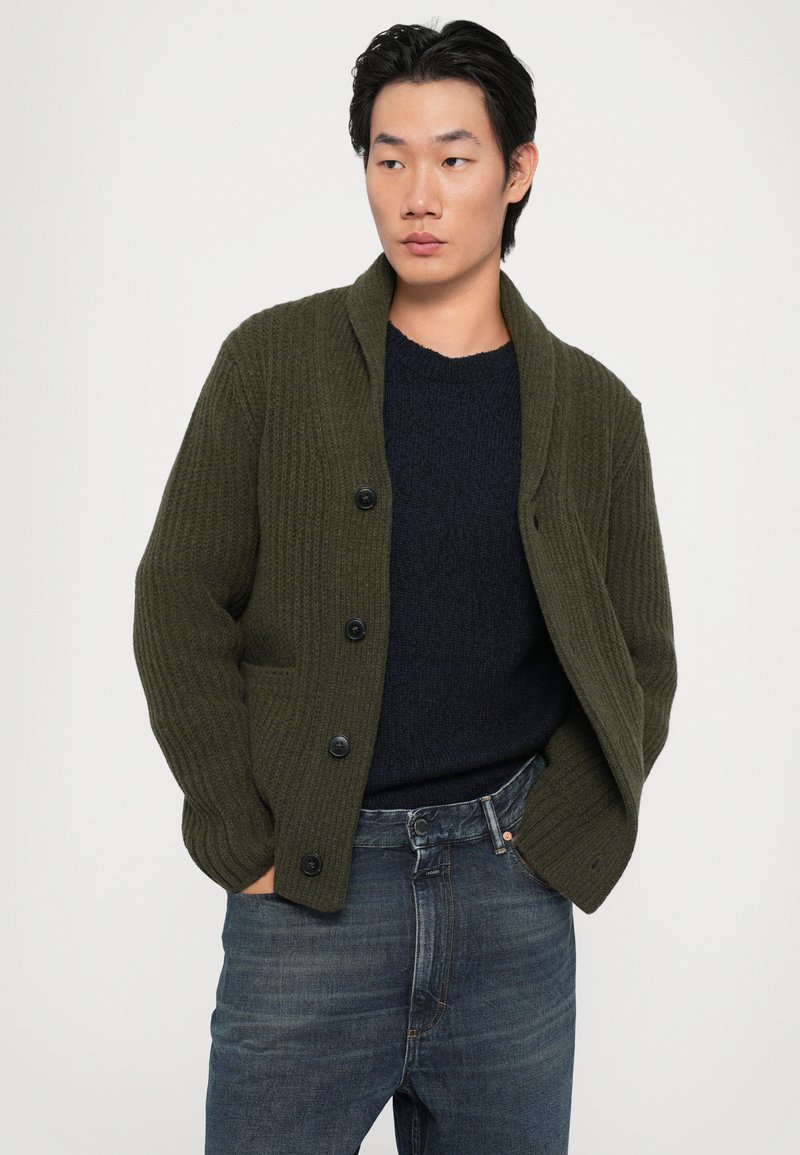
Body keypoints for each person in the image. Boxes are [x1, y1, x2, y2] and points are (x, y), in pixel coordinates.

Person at [132, 18, 677, 1155]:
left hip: (510, 904)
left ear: (516, 172)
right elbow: (179, 600)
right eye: (389, 158)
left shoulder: (594, 413)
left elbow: (639, 656)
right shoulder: (270, 364)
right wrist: (242, 836)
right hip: (309, 896)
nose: (416, 194)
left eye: (453, 157)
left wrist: (558, 837)